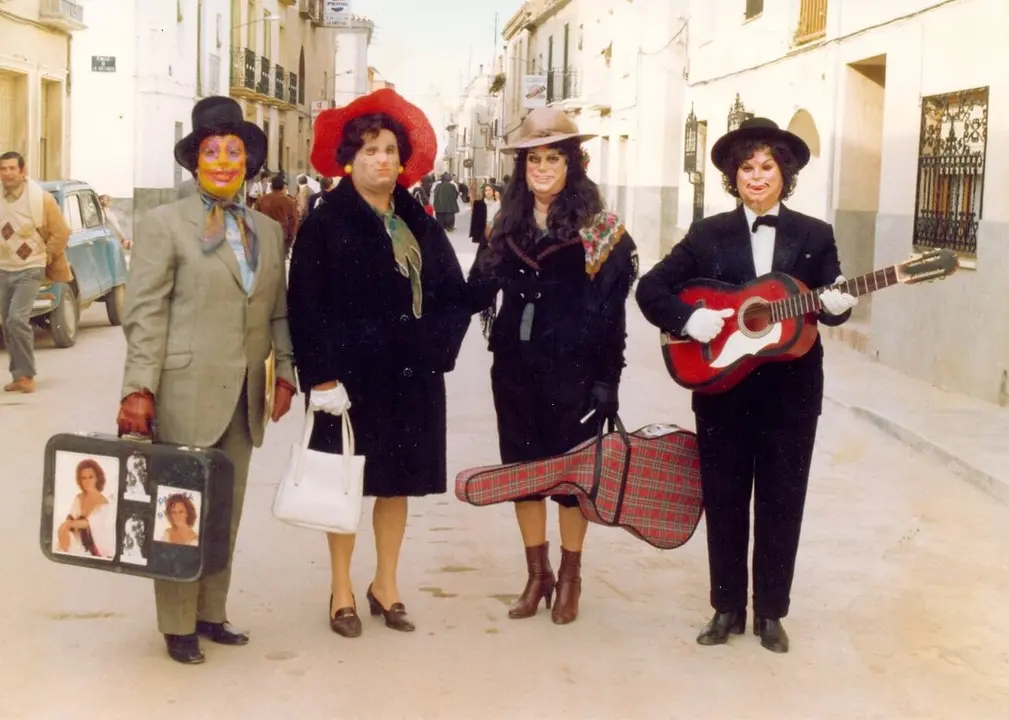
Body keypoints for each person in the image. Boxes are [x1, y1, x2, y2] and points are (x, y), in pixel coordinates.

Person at [635, 117, 857, 654]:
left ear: (785, 174)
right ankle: (726, 608)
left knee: (783, 500)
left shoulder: (814, 234)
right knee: (726, 497)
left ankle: (772, 614)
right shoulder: (708, 234)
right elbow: (651, 288)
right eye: (747, 168)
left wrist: (838, 305)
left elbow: (829, 306)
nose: (757, 177)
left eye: (768, 166)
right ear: (734, 178)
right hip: (723, 389)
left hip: (791, 392)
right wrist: (689, 323)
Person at [116, 96, 296, 665]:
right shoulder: (162, 224)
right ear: (196, 161)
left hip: (246, 396)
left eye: (233, 152)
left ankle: (211, 613)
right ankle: (176, 625)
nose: (223, 162)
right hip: (183, 392)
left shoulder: (267, 231)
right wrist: (138, 388)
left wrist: (285, 372)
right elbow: (145, 312)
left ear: (248, 162)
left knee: (227, 508)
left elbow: (277, 312)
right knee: (178, 508)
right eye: (211, 152)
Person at [287, 88, 470, 638]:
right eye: (369, 150)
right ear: (350, 160)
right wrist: (319, 377)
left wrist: (436, 352)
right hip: (346, 380)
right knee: (343, 483)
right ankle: (341, 588)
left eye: (390, 149)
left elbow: (451, 294)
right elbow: (304, 303)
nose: (382, 159)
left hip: (409, 378)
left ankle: (385, 585)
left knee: (396, 485)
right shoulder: (326, 220)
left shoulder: (418, 220)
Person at [467, 107, 638, 625]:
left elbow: (612, 316)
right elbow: (475, 291)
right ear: (522, 168)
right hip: (514, 369)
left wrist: (608, 381)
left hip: (576, 371)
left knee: (568, 477)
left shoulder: (601, 230)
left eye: (553, 157)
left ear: (572, 164)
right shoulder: (506, 225)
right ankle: (536, 574)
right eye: (532, 159)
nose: (541, 167)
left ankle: (570, 577)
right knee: (523, 471)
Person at [0, 150, 72, 394]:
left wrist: (46, 256)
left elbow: (62, 231)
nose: (7, 173)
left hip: (30, 267)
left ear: (23, 171)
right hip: (3, 269)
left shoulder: (40, 199)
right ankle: (19, 375)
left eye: (12, 168)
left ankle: (27, 374)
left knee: (16, 319)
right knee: (8, 324)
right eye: (3, 168)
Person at [56, 459, 116, 558]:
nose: (87, 481)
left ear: (97, 478)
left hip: (96, 550)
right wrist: (67, 525)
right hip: (76, 544)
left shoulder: (104, 503)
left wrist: (69, 524)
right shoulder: (78, 498)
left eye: (91, 477)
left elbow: (89, 525)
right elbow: (69, 520)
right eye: (84, 478)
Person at [256, 175, 298, 255]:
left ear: (271, 186)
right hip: (281, 237)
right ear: (283, 187)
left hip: (265, 237)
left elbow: (255, 219)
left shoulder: (261, 200)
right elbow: (293, 222)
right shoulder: (290, 202)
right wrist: (289, 240)